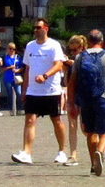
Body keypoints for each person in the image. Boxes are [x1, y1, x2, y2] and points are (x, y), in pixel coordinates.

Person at [11, 17, 69, 165]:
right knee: (29, 120)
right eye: (34, 28)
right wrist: (24, 89)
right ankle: (27, 152)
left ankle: (62, 151)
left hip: (51, 90)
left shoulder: (53, 45)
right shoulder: (30, 46)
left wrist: (45, 76)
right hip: (33, 91)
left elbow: (59, 65)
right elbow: (27, 68)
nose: (36, 30)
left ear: (46, 29)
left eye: (38, 27)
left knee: (56, 120)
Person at [68, 29, 105, 177]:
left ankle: (94, 163)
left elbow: (72, 83)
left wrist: (71, 103)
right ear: (101, 41)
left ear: (89, 41)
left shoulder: (80, 57)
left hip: (86, 99)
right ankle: (100, 151)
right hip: (103, 98)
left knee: (90, 132)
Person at [63, 34, 87, 167]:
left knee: (85, 128)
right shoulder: (71, 63)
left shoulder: (88, 60)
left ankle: (99, 146)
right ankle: (73, 154)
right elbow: (67, 83)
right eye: (70, 50)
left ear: (82, 48)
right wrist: (66, 70)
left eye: (74, 50)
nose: (72, 53)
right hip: (73, 96)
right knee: (72, 126)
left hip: (85, 96)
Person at [2, 43, 23, 115]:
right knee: (10, 94)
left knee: (19, 93)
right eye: (10, 49)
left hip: (16, 77)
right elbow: (2, 69)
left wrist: (17, 70)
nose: (12, 50)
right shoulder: (4, 57)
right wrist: (10, 67)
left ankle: (19, 109)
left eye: (13, 49)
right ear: (7, 49)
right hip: (8, 78)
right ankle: (11, 110)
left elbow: (22, 67)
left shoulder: (18, 57)